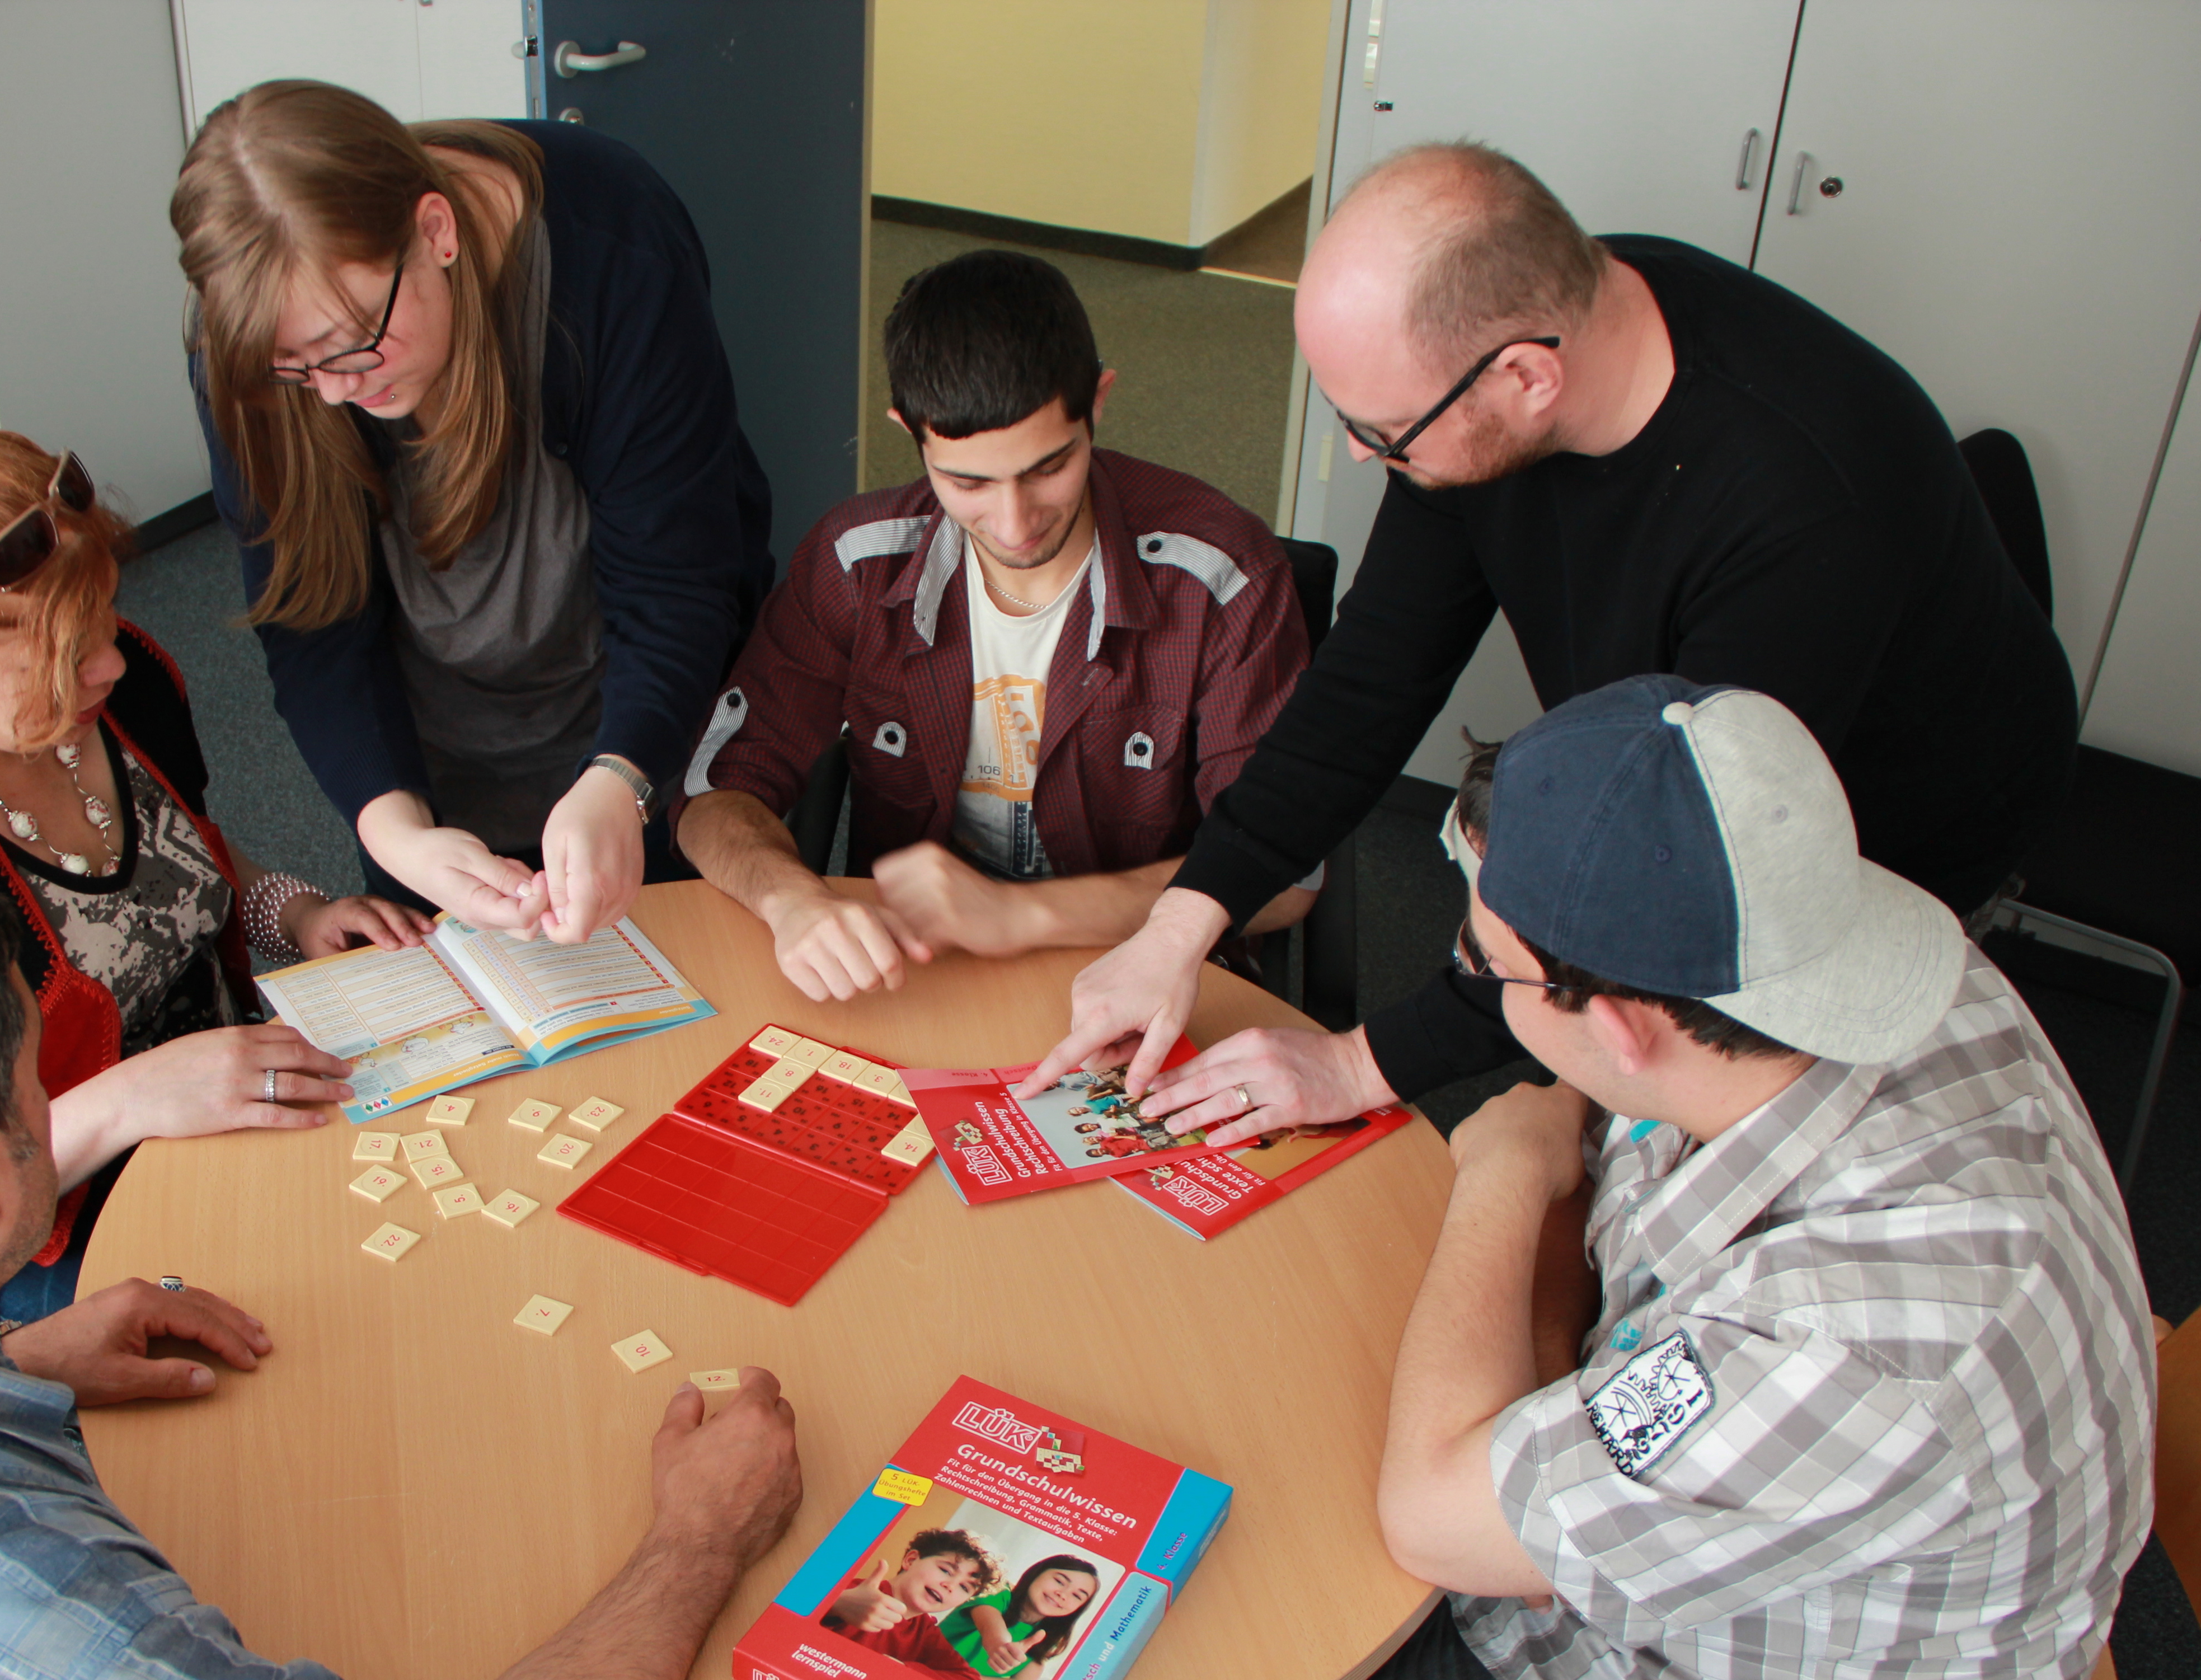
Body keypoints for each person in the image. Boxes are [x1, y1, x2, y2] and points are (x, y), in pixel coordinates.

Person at [1028, 141, 2078, 1135]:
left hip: (1894, 813)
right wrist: (1182, 921)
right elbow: (1370, 681)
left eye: (1380, 435)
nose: (1358, 457)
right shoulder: (1503, 331)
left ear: (1528, 378)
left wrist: (1358, 1065)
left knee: (1703, 1099)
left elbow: (1651, 887)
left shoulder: (1807, 504)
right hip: (1685, 755)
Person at [0, 836, 804, 1679]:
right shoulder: (71, 1644)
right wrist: (694, 1543)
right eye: (34, 1079)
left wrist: (14, 1352)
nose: (54, 1102)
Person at [1356, 677, 2150, 1679]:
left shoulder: (1857, 1342)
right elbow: (1591, 1139)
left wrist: (1503, 1173)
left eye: (1483, 961)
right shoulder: (1853, 968)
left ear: (1620, 1027)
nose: (1471, 968)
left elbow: (1434, 1523)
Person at [0, 420, 433, 1322]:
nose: (108, 659)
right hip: (39, 1227)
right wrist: (137, 1096)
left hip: (225, 1096)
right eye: (61, 656)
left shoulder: (117, 676)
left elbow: (186, 856)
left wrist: (288, 913)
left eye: (104, 614)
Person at [175, 81, 773, 946]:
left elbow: (675, 585)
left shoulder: (611, 244)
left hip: (648, 715)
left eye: (355, 344)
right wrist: (393, 828)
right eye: (298, 369)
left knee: (681, 993)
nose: (339, 390)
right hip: (429, 753)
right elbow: (311, 619)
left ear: (435, 232)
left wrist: (620, 779)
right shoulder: (248, 349)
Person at [672, 251, 1315, 1002]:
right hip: (923, 976)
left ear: (1096, 402)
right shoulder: (856, 562)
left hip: (1147, 969)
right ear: (908, 433)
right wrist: (790, 898)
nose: (1013, 523)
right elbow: (712, 794)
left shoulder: (1221, 575)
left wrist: (1022, 914)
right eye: (967, 482)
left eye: (1048, 468)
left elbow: (1286, 874)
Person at [818, 1529, 1001, 1673]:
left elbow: (966, 1677)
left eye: (964, 1588)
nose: (950, 1586)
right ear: (911, 1560)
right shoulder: (850, 1591)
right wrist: (837, 1604)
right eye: (946, 1571)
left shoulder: (926, 1632)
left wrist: (902, 1669)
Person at [941, 1555, 1100, 1679]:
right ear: (1037, 1573)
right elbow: (990, 1623)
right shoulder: (997, 1591)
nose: (1063, 1594)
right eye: (1059, 1581)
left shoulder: (1041, 1642)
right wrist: (1000, 1646)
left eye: (1077, 1596)